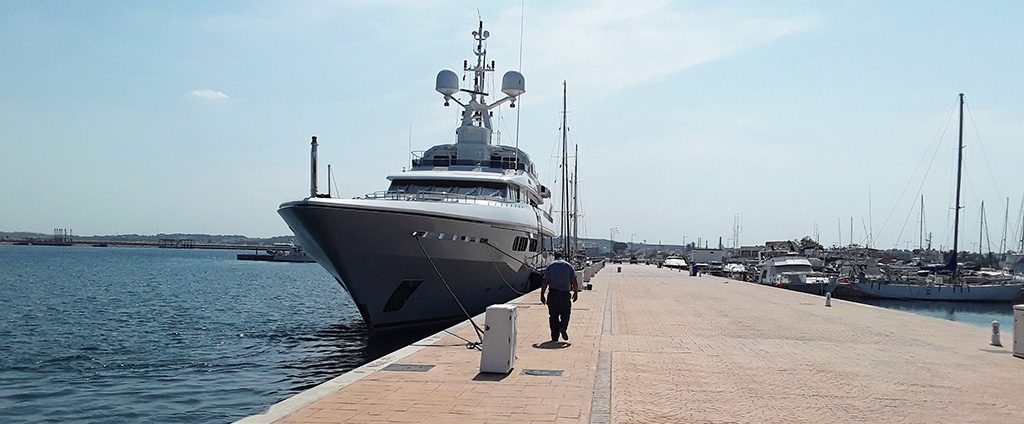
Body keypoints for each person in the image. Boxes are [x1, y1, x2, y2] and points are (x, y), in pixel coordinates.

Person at [540, 252, 579, 343]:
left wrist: (542, 294)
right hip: (565, 294)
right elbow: (574, 280)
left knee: (553, 316)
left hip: (553, 294)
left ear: (554, 257)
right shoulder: (568, 266)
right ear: (562, 257)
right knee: (566, 314)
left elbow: (545, 281)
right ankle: (562, 327)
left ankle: (555, 337)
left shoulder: (550, 266)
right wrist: (576, 292)